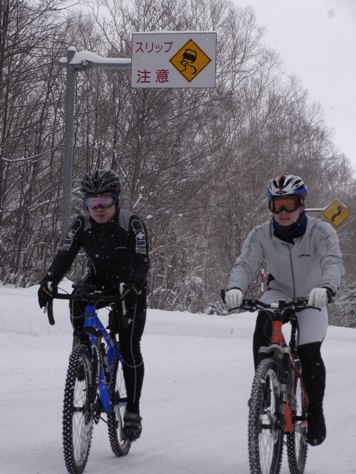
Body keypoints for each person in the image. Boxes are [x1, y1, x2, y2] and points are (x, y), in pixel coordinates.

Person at [225, 174, 344, 446]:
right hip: (279, 291)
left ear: (301, 204)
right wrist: (235, 288)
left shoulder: (321, 231)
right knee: (262, 325)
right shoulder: (261, 234)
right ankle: (263, 391)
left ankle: (315, 412)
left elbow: (332, 262)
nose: (283, 212)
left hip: (313, 296)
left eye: (289, 203)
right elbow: (245, 263)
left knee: (309, 351)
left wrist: (326, 288)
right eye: (276, 205)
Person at [38, 168, 149, 441]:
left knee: (129, 348)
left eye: (104, 202)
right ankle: (83, 347)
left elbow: (141, 262)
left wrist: (134, 284)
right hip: (99, 279)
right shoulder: (80, 224)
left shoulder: (132, 224)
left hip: (129, 286)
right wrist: (49, 281)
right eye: (92, 203)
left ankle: (132, 410)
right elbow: (64, 255)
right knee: (77, 296)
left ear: (116, 200)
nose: (98, 209)